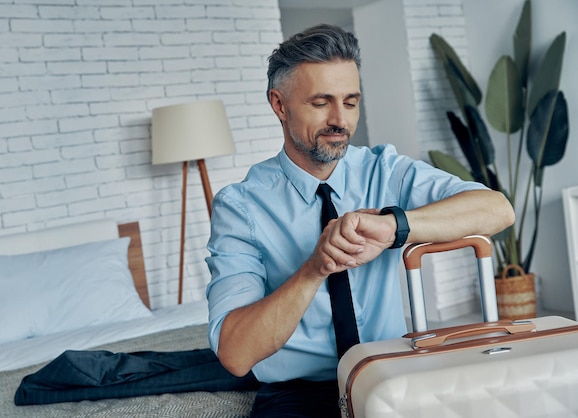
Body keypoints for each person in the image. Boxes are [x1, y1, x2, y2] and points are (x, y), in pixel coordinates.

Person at [205, 24, 514, 417]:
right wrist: (314, 269)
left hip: (391, 372)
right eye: (321, 103)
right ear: (279, 105)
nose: (340, 120)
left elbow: (497, 209)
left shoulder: (384, 170)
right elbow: (235, 354)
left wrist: (393, 226)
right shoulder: (240, 206)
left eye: (350, 102)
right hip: (298, 392)